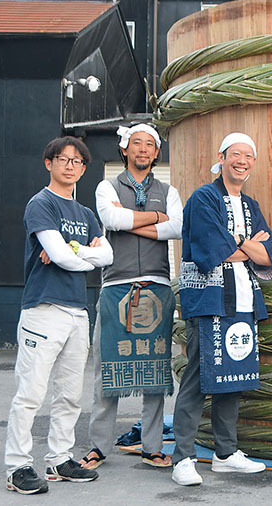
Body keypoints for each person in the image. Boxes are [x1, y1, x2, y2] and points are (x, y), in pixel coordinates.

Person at [5, 136, 113, 494]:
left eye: (77, 161)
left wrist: (72, 249)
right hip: (43, 309)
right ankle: (17, 465)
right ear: (48, 163)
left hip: (77, 312)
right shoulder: (41, 204)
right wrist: (80, 256)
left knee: (70, 394)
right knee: (31, 393)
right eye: (62, 159)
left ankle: (58, 460)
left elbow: (107, 257)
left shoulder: (85, 214)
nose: (70, 165)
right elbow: (63, 257)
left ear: (83, 168)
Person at [171, 132, 272, 486]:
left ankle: (225, 453)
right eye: (236, 154)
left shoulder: (251, 206)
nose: (242, 161)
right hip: (209, 299)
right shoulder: (204, 198)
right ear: (222, 157)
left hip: (244, 300)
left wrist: (236, 241)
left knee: (234, 376)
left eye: (248, 155)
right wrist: (247, 245)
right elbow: (210, 249)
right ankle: (183, 457)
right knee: (200, 376)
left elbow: (269, 255)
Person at [81, 123, 183, 470]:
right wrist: (155, 217)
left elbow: (178, 226)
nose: (143, 149)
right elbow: (110, 217)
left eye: (150, 145)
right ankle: (98, 446)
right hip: (115, 286)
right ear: (124, 149)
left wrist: (129, 222)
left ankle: (152, 446)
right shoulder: (107, 185)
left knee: (155, 371)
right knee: (106, 368)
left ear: (157, 153)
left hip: (156, 284)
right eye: (136, 143)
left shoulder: (168, 189)